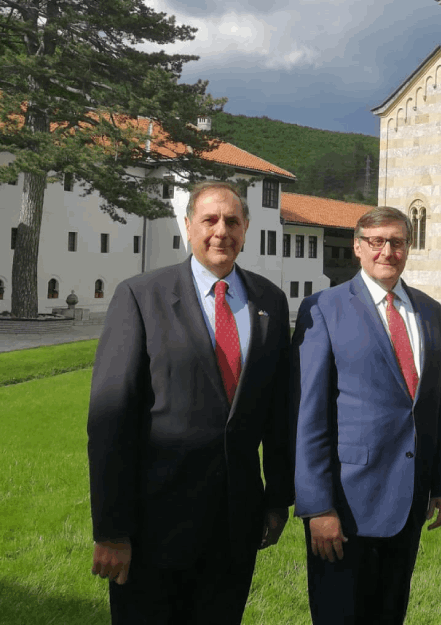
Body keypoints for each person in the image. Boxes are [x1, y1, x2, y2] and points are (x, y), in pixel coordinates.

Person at [87, 180, 293, 624]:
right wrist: (111, 530)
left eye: (233, 221)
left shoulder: (270, 302)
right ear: (187, 226)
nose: (222, 231)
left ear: (247, 228)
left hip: (235, 524)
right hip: (152, 524)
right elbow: (110, 421)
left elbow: (280, 413)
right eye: (210, 220)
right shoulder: (141, 297)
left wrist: (277, 499)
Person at [292, 206, 441, 625]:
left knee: (389, 614)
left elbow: (439, 403)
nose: (387, 250)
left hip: (408, 500)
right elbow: (308, 415)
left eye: (397, 242)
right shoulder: (324, 308)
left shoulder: (429, 311)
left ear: (408, 248)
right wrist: (317, 508)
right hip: (346, 508)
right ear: (358, 247)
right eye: (377, 241)